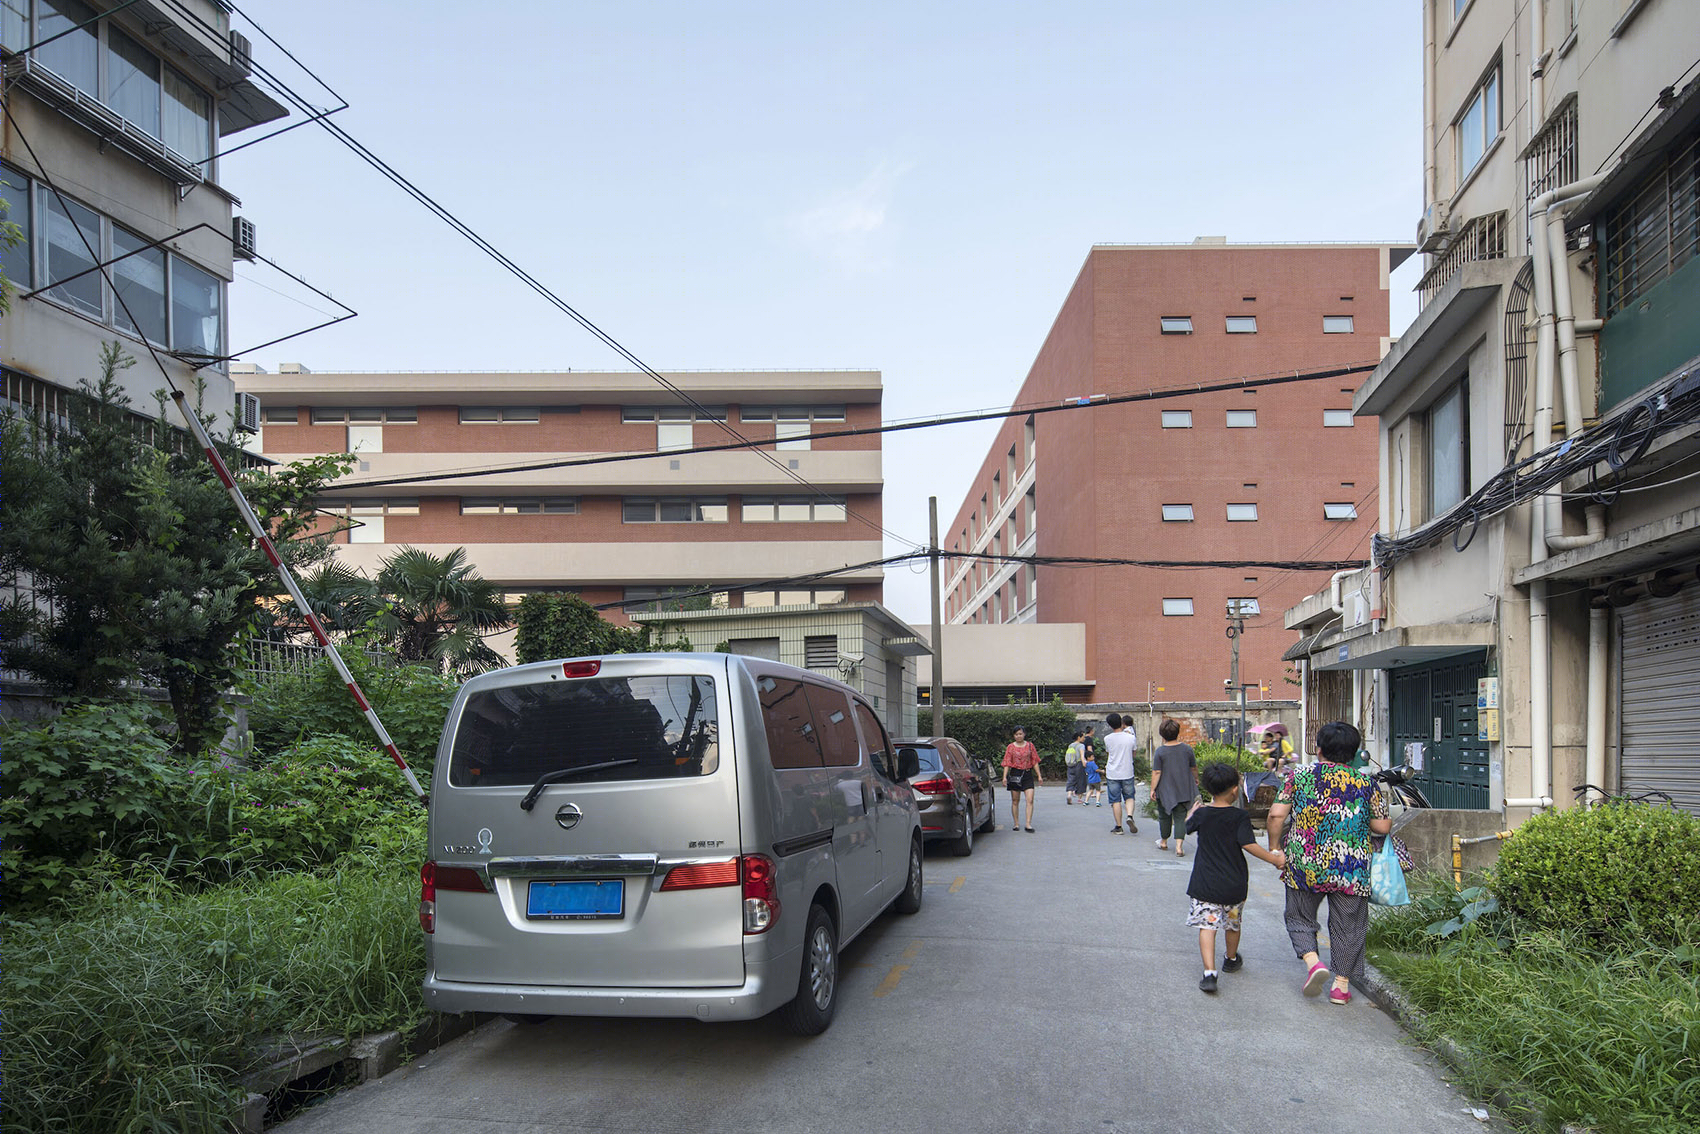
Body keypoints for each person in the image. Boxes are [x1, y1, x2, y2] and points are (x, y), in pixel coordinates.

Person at [1265, 720, 1392, 1005]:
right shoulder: (1367, 782)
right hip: (1351, 867)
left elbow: (1276, 816)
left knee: (1299, 916)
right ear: (1354, 752)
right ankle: (1341, 987)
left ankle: (1314, 963)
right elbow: (1382, 827)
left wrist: (1275, 848)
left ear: (1319, 749)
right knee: (1349, 925)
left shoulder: (1299, 775)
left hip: (1304, 862)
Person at [1186, 761, 1286, 993]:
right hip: (1234, 883)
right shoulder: (1239, 816)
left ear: (1209, 790)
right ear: (1234, 790)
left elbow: (1187, 826)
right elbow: (1249, 845)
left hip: (1205, 883)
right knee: (1232, 923)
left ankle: (1209, 973)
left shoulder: (1202, 814)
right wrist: (1275, 859)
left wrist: (1192, 812)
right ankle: (1230, 959)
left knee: (1207, 926)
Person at [1149, 719, 1198, 857]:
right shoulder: (1187, 749)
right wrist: (1196, 778)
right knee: (1180, 817)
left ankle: (1164, 841)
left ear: (1162, 735)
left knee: (1164, 816)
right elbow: (1193, 767)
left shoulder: (1160, 751)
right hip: (1183, 788)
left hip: (1165, 789)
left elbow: (1157, 772)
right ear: (1177, 733)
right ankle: (1179, 847)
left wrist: (1153, 789)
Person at [1102, 713, 1139, 834]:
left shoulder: (1107, 739)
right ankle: (1129, 816)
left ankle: (1119, 827)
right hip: (1127, 771)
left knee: (1115, 800)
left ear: (1110, 725)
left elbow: (1109, 754)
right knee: (1129, 796)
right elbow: (1134, 754)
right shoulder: (1131, 738)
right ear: (1121, 722)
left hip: (1112, 773)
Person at [1002, 726, 1042, 832]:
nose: (1018, 736)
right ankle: (1016, 823)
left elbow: (1035, 761)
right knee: (1015, 800)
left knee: (1030, 799)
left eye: (1020, 733)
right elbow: (1007, 762)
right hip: (1015, 773)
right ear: (1013, 736)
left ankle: (1028, 824)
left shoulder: (1030, 746)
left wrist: (1039, 775)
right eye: (1016, 734)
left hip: (1027, 774)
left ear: (1024, 734)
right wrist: (1004, 777)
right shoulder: (1010, 747)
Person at [1064, 728, 1089, 805]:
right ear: (1079, 737)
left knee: (1071, 780)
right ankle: (1079, 799)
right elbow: (1082, 756)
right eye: (1083, 737)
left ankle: (1069, 795)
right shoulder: (1081, 746)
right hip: (1079, 764)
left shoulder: (1070, 745)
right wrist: (1085, 764)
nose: (1084, 738)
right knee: (1081, 781)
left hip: (1070, 765)